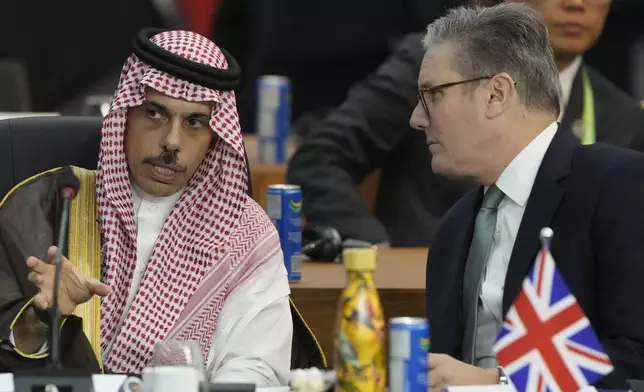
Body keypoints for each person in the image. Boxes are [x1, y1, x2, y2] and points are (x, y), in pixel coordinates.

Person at [0, 29, 323, 384]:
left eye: (195, 122)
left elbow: (257, 368)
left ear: (216, 136)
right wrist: (43, 317)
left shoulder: (244, 232)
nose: (172, 141)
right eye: (155, 113)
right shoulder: (50, 203)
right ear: (126, 115)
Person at [410, 4, 644, 390]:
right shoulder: (452, 231)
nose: (417, 118)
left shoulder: (621, 187)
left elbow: (637, 363)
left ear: (495, 94)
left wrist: (500, 383)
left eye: (432, 94)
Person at [287, 0, 644, 248]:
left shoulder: (623, 117)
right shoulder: (432, 68)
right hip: (423, 295)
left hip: (548, 321)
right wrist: (374, 249)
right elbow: (320, 158)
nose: (576, 5)